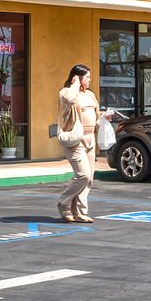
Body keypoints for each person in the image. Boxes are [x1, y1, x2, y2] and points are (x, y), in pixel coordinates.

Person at [57, 64, 106, 223]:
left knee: (89, 177)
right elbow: (69, 100)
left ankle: (79, 212)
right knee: (83, 174)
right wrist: (75, 84)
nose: (90, 80)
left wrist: (103, 116)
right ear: (77, 77)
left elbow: (93, 112)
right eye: (87, 77)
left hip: (90, 138)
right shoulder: (66, 92)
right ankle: (64, 203)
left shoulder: (90, 94)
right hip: (75, 139)